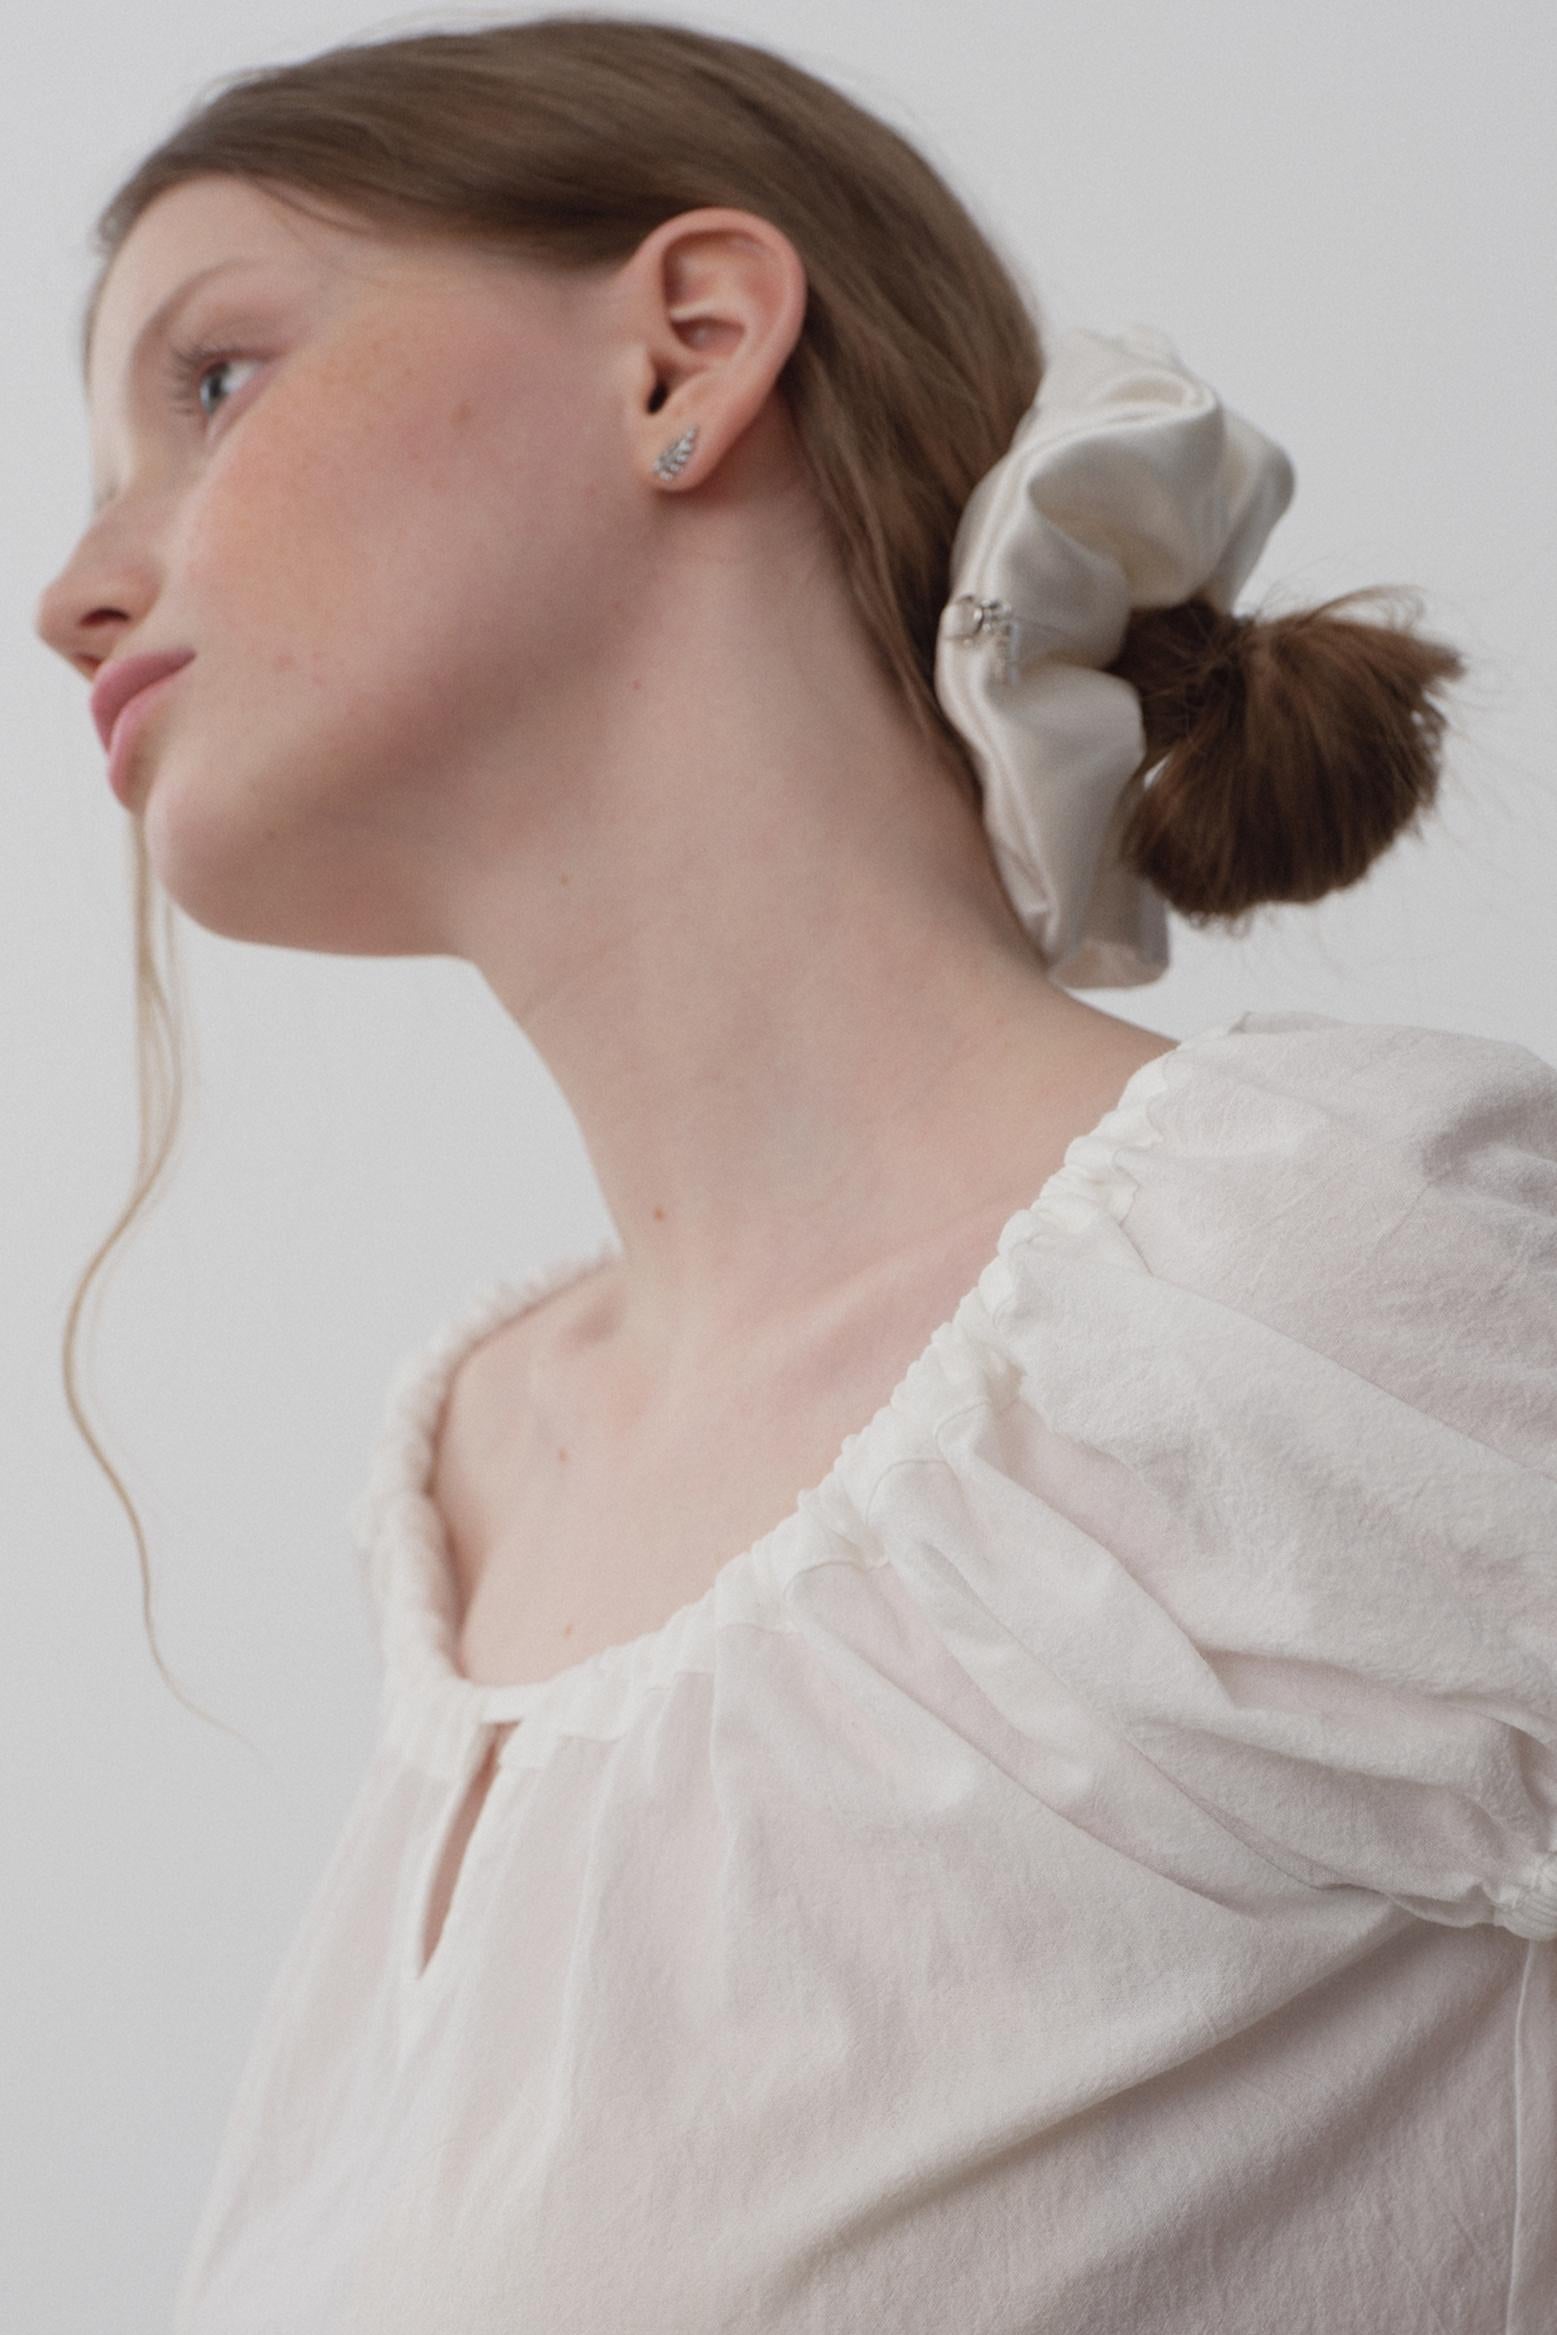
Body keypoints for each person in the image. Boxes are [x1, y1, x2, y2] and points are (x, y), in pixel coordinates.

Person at [33, 18, 1557, 2332]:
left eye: (213, 382)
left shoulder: (1296, 1290)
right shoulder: (470, 1489)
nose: (73, 586)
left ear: (689, 347)